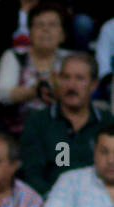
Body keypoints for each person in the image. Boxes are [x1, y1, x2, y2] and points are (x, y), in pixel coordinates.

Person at [20, 54, 109, 198]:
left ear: (94, 85)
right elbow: (32, 174)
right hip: (49, 203)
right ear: (57, 80)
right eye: (66, 77)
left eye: (79, 78)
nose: (71, 85)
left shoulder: (107, 123)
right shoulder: (38, 121)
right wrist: (56, 201)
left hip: (97, 205)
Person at [0, 2, 68, 135]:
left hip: (62, 130)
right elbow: (2, 94)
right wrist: (34, 91)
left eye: (52, 25)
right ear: (29, 33)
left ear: (62, 34)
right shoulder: (15, 56)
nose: (46, 30)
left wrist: (59, 91)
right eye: (39, 25)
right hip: (20, 132)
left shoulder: (70, 60)